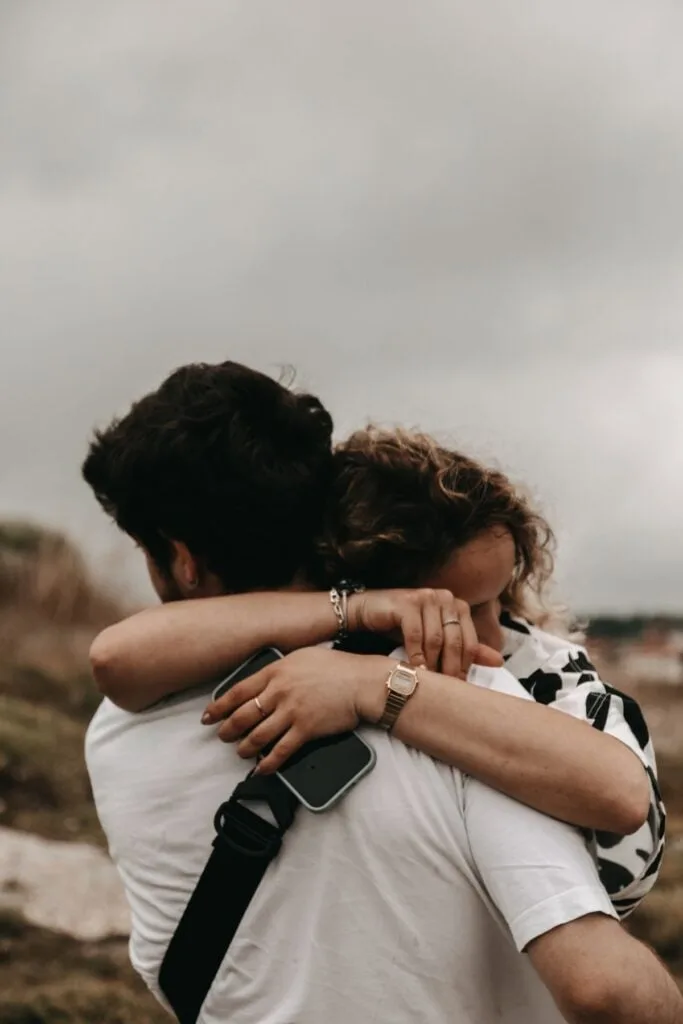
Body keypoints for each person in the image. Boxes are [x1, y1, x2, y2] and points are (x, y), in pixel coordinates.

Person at [83, 361, 680, 1023]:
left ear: (181, 557)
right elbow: (607, 992)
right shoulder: (452, 699)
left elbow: (113, 656)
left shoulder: (114, 736)